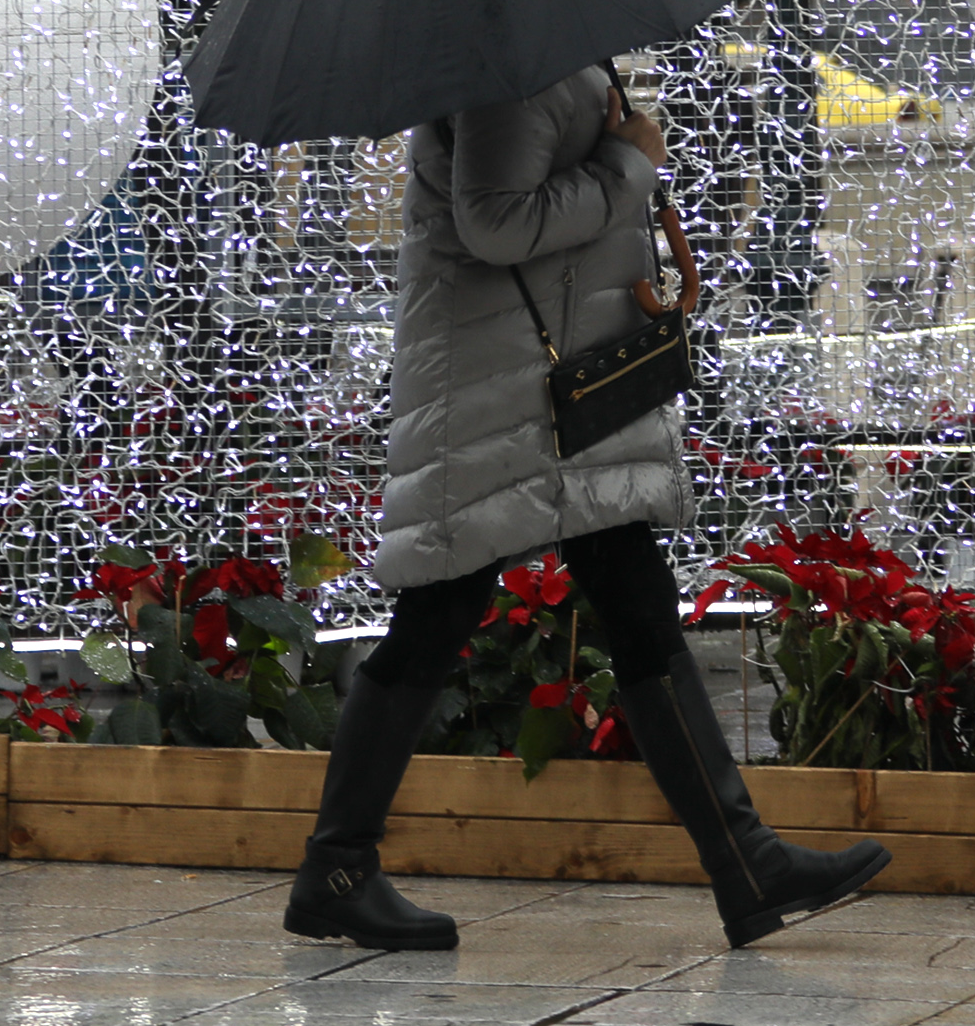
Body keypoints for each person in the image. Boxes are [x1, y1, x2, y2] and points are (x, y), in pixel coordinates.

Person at [285, 64, 891, 952]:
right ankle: (336, 869)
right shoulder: (503, 71)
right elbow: (494, 221)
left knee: (633, 604)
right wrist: (626, 164)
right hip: (499, 397)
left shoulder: (548, 52)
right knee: (438, 610)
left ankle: (744, 859)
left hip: (552, 395)